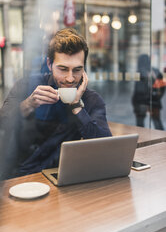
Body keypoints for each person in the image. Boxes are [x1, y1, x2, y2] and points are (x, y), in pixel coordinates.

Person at [0, 28, 111, 180]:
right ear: (49, 64)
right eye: (63, 69)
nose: (70, 78)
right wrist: (28, 104)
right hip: (18, 175)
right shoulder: (27, 85)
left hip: (62, 176)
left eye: (77, 70)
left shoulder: (91, 99)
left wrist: (77, 107)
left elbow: (107, 148)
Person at [132, 54, 165, 130]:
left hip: (141, 102)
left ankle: (141, 140)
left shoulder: (139, 73)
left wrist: (135, 102)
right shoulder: (156, 71)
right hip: (154, 101)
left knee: (140, 124)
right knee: (157, 122)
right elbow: (162, 88)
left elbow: (138, 90)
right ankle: (163, 139)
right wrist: (157, 97)